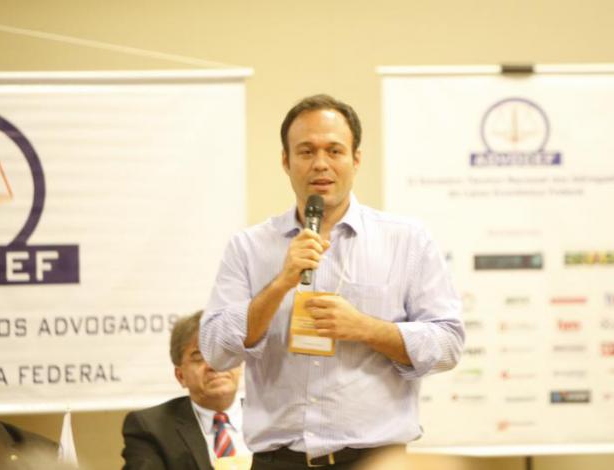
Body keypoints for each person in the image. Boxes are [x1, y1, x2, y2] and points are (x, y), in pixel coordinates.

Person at [200, 94, 464, 470]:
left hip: (373, 459)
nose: (320, 164)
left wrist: (365, 328)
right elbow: (215, 350)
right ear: (285, 161)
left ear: (356, 159)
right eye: (306, 151)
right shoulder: (249, 247)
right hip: (279, 461)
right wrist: (280, 284)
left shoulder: (406, 240)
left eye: (334, 150)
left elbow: (448, 344)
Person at [122, 311, 249, 470]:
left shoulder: (271, 419)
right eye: (198, 357)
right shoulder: (150, 428)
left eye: (222, 352)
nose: (213, 365)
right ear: (180, 376)